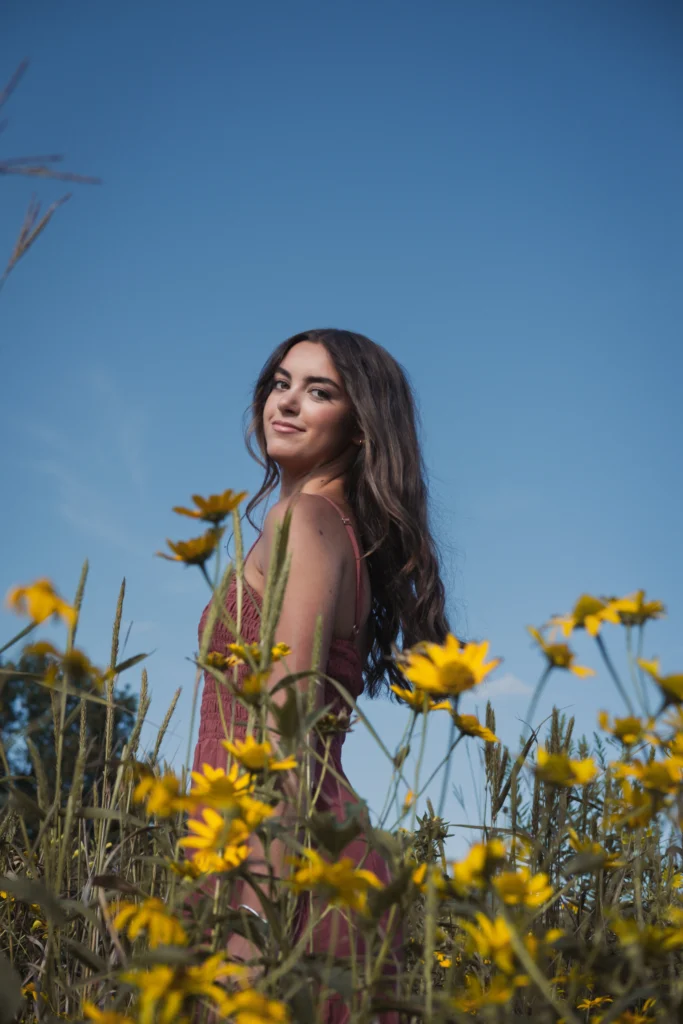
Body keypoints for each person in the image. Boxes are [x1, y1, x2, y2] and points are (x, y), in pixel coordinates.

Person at [192, 328, 451, 1023]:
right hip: (300, 851)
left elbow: (284, 742)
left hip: (283, 862)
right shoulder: (334, 528)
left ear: (361, 426)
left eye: (319, 391)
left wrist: (248, 933)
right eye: (281, 382)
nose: (288, 402)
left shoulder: (302, 520)